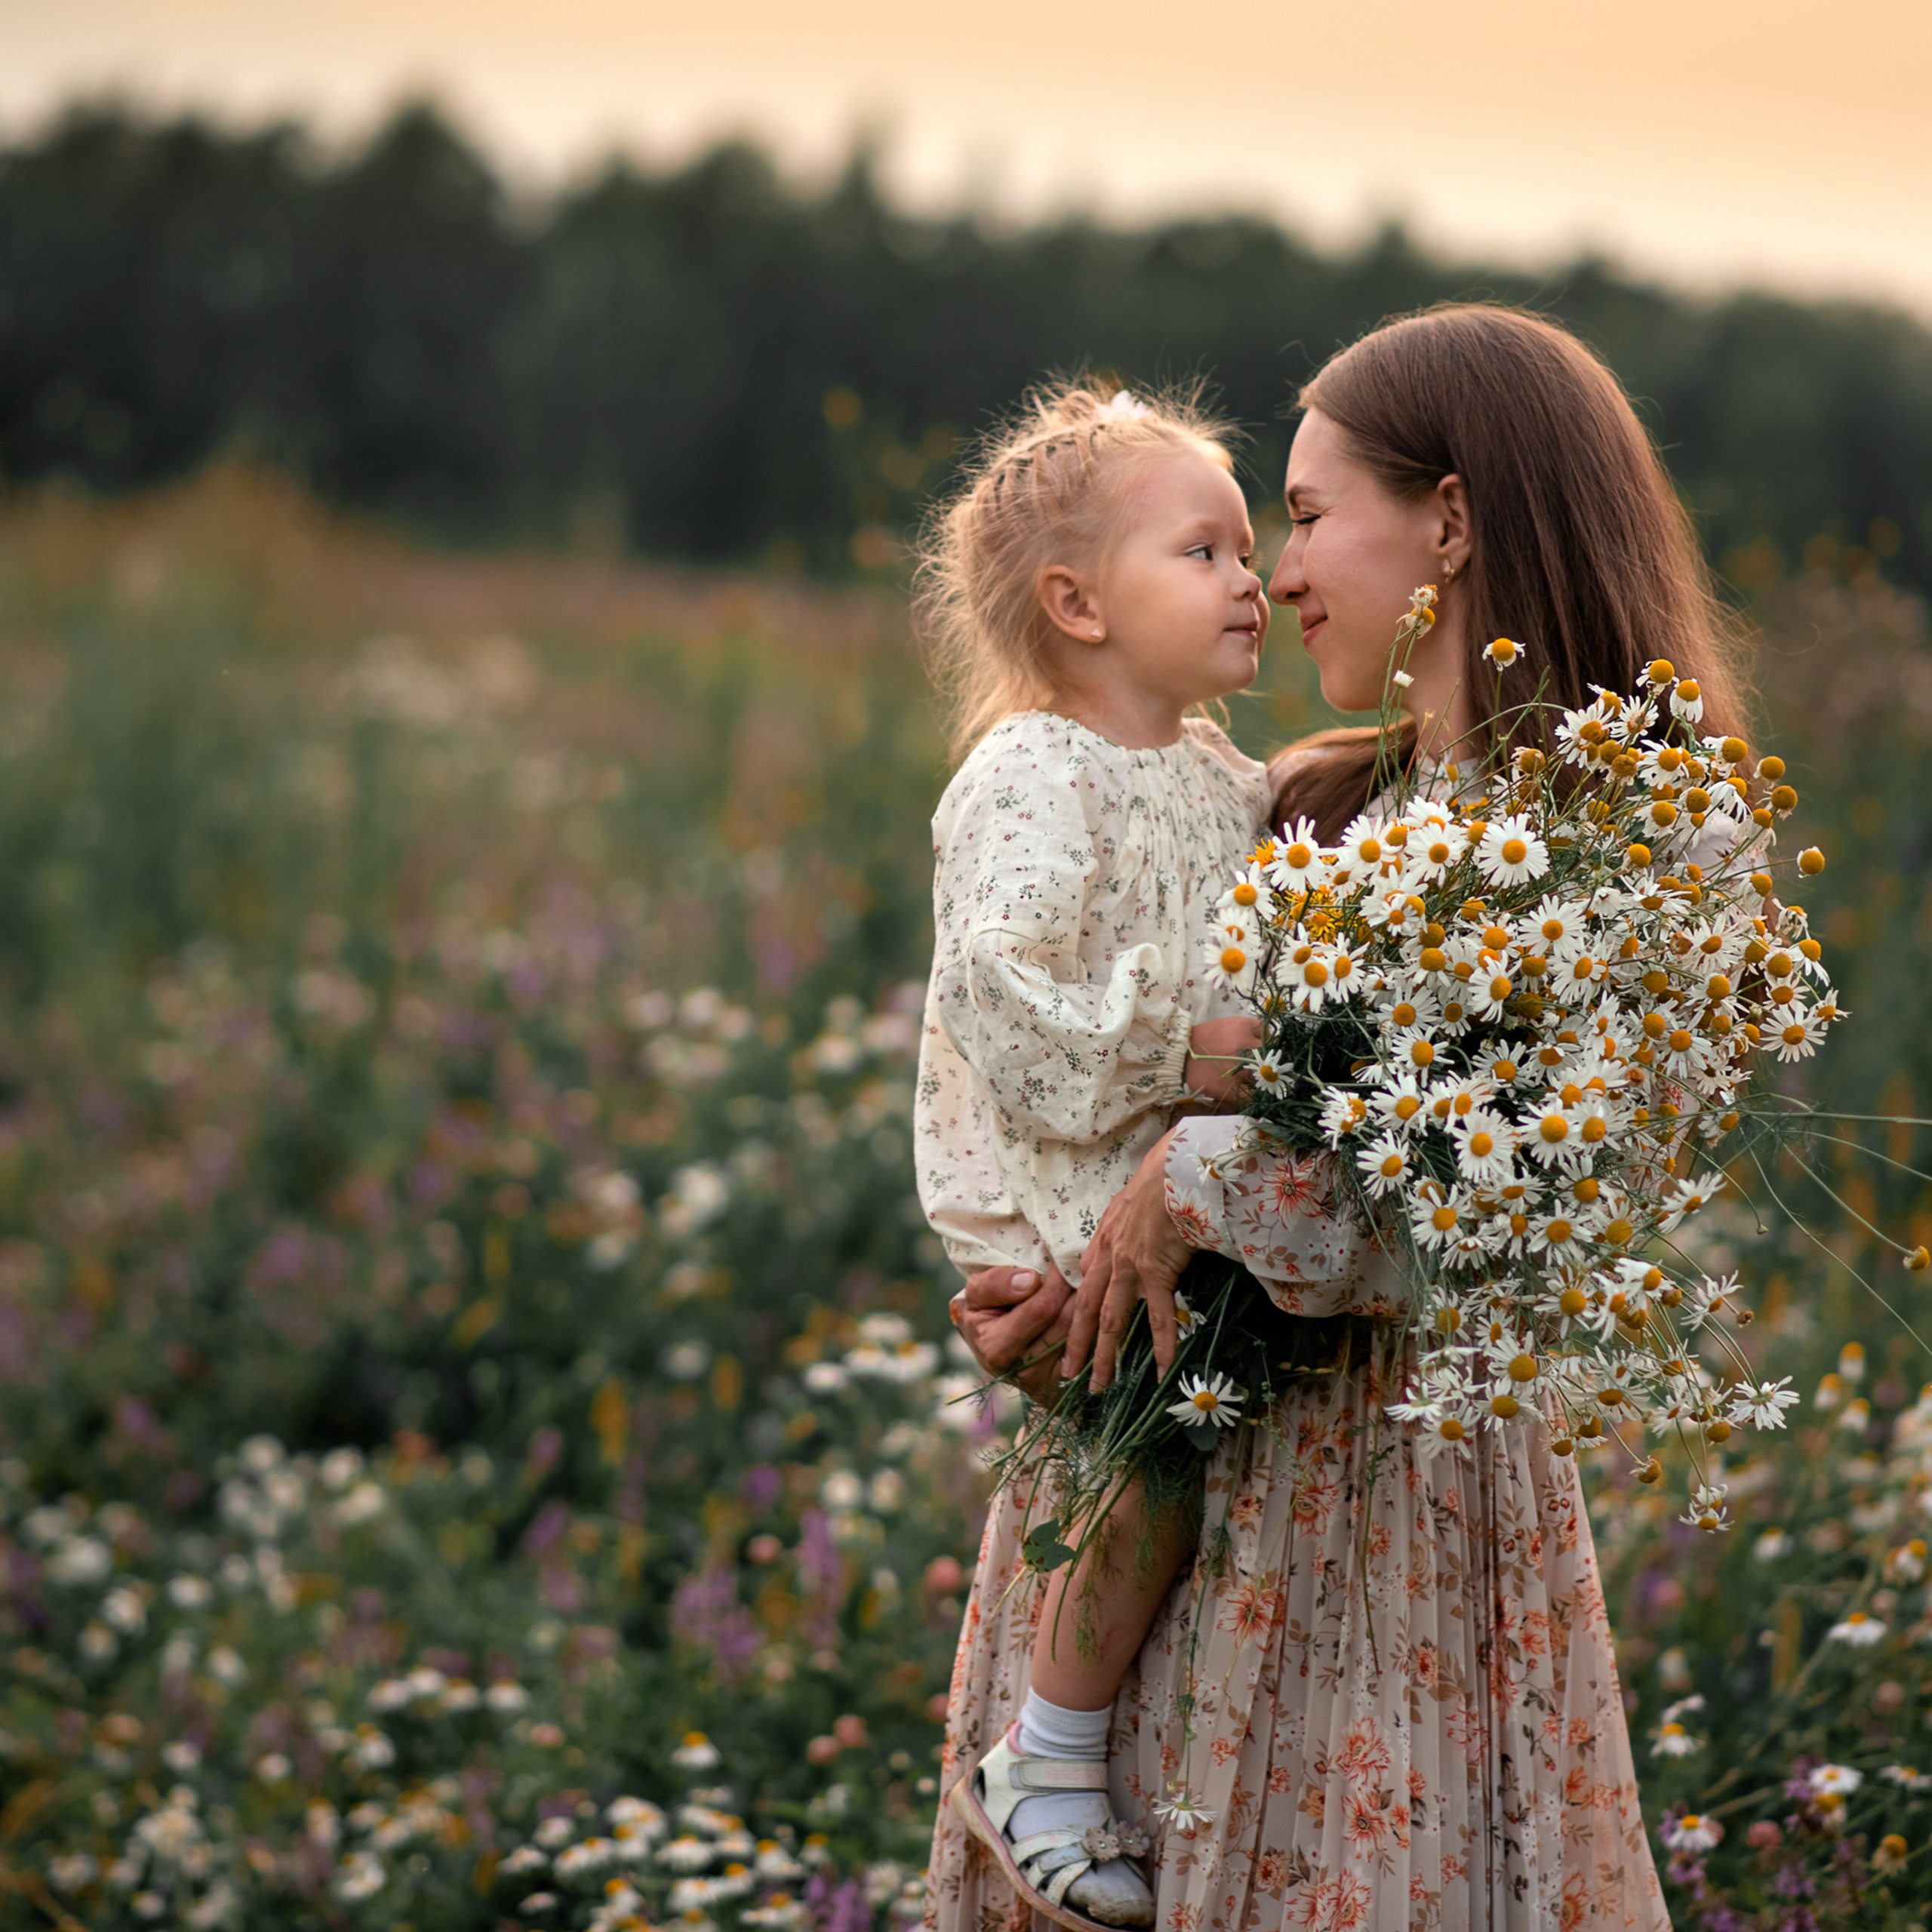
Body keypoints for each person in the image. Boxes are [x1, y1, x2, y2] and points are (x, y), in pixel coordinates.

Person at [929, 304, 1749, 1932]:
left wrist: (1197, 1180)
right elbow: (1044, 1039)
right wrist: (1069, 1289)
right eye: (1249, 536)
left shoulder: (1646, 831)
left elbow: (1553, 1203)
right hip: (1167, 1485)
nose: (1281, 573)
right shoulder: (1305, 801)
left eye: (1303, 518)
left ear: (1450, 518)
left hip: (1405, 1532)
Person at [909, 378, 1325, 1927]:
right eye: (1203, 552)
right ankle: (1049, 1755)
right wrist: (1181, 1048)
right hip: (1069, 1192)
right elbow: (1000, 998)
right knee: (1157, 1458)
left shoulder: (1222, 776)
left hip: (1177, 1192)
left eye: (1249, 549)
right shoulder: (1031, 773)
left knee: (1204, 1437)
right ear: (1077, 605)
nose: (1250, 580)